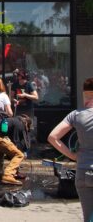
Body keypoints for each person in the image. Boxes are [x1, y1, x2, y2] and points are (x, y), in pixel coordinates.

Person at [48, 78, 93, 222]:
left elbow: (53, 137)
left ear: (84, 94)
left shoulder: (76, 115)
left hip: (83, 171)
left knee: (88, 217)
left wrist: (73, 156)